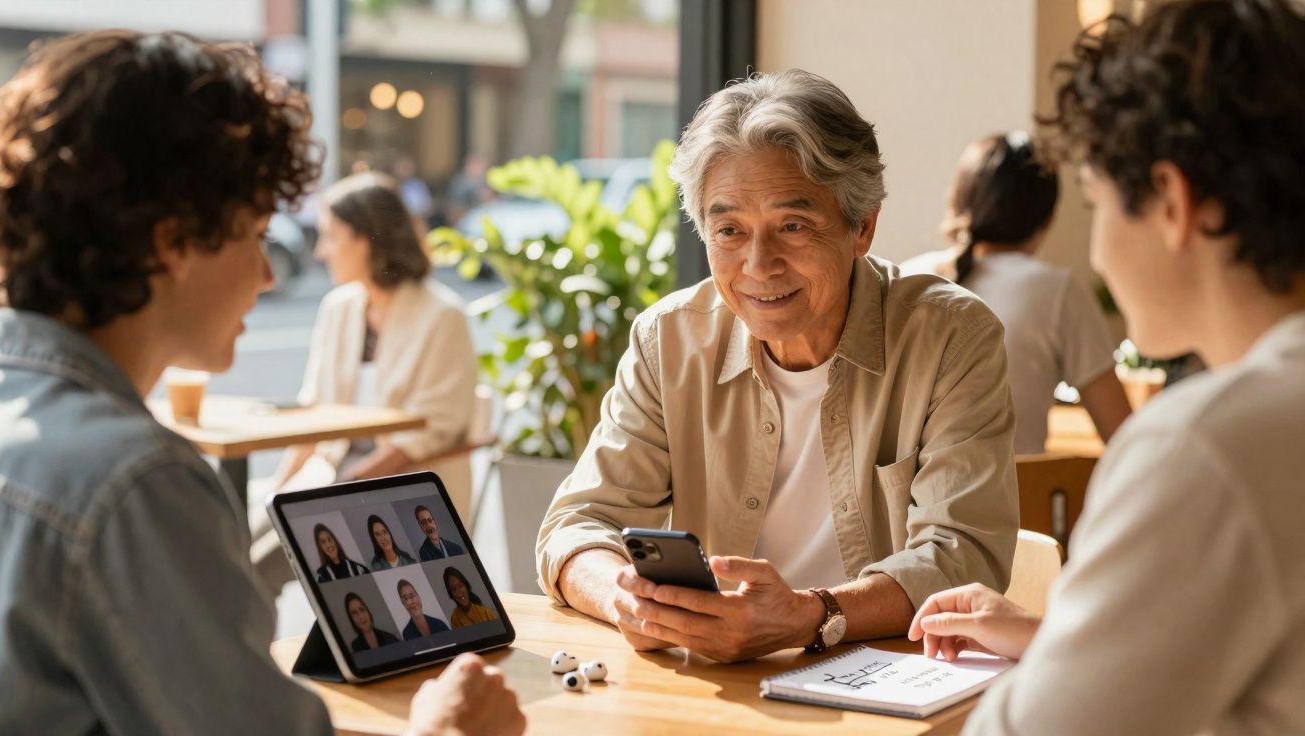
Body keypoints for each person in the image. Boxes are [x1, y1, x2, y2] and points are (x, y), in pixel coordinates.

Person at [0, 30, 523, 736]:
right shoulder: (136, 484)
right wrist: (447, 728)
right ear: (174, 241)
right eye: (255, 232)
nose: (269, 275)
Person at [909, 1, 1305, 733]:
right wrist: (1063, 640)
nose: (1095, 254)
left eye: (1095, 205)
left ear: (1171, 201)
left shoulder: (1206, 448)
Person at [536, 69, 1019, 664]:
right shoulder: (670, 339)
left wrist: (810, 617)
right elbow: (578, 525)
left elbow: (961, 553)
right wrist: (626, 601)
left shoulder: (950, 335)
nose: (759, 264)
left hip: (891, 677)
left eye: (793, 226)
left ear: (862, 226)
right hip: (725, 688)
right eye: (729, 231)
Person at [901, 132, 1132, 454]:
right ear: (1047, 220)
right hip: (1020, 501)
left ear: (958, 203)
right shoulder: (1057, 290)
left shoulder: (904, 277)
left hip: (901, 502)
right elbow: (1122, 436)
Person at [270, 172, 476, 513]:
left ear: (367, 239)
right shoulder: (338, 308)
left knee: (277, 553)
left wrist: (349, 485)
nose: (321, 252)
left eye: (331, 237)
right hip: (337, 474)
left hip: (404, 487)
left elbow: (435, 426)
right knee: (252, 540)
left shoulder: (442, 315)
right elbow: (314, 414)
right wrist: (277, 494)